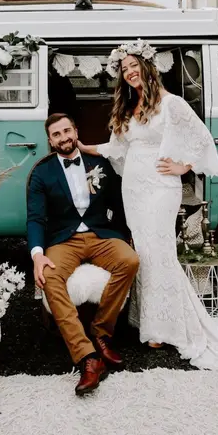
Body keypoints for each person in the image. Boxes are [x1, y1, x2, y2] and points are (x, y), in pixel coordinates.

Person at [78, 40, 218, 370]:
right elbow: (117, 148)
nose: (130, 72)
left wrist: (183, 167)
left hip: (161, 189)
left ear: (147, 67)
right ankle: (150, 321)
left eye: (134, 65)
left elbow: (202, 138)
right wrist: (86, 147)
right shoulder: (129, 106)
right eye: (124, 69)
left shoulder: (172, 104)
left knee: (160, 253)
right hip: (134, 190)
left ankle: (165, 329)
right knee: (144, 254)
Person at [27, 113, 139, 396]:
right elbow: (35, 218)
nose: (63, 137)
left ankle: (101, 332)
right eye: (56, 134)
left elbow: (119, 203)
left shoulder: (100, 164)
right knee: (49, 276)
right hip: (64, 240)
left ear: (76, 131)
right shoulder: (42, 172)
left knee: (130, 261)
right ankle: (87, 356)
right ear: (50, 140)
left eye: (67, 131)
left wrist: (125, 236)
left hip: (100, 234)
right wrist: (37, 255)